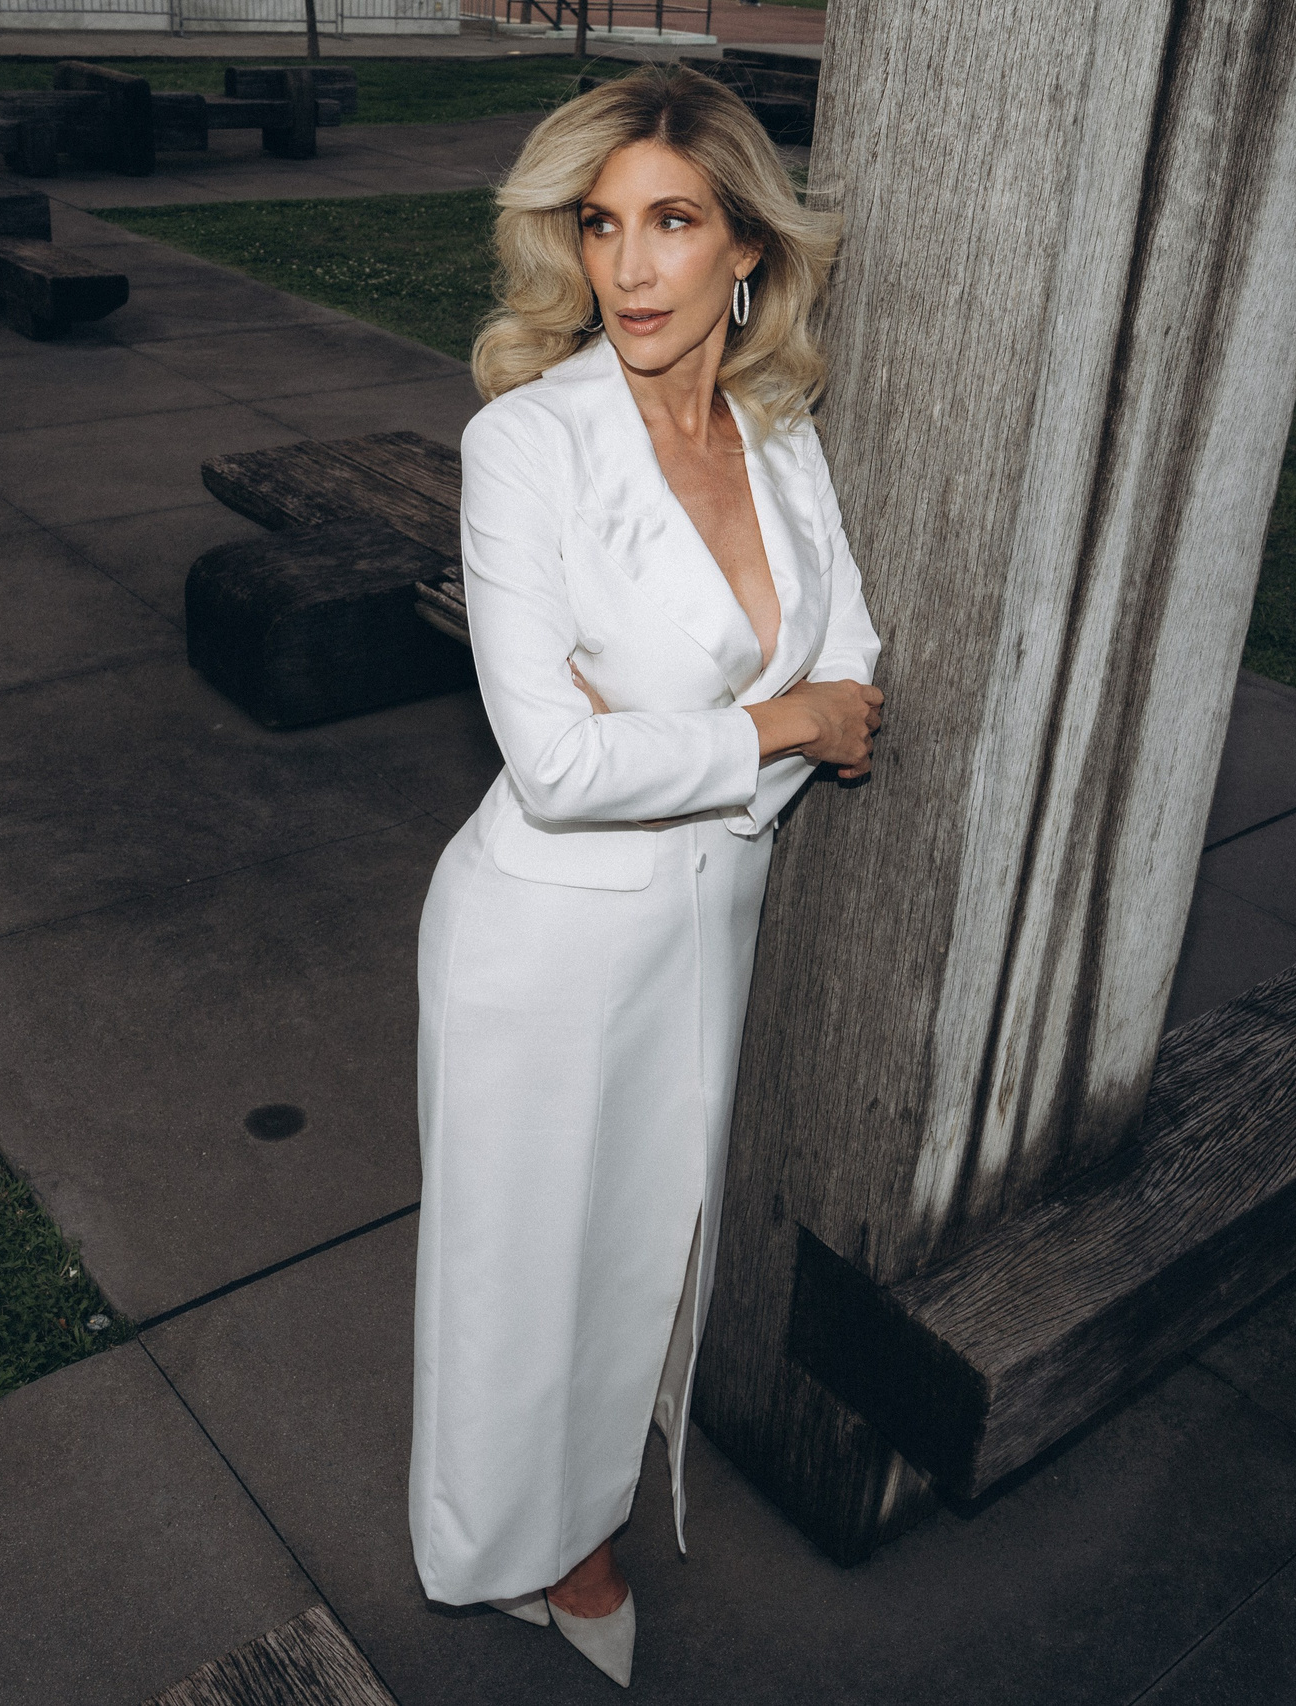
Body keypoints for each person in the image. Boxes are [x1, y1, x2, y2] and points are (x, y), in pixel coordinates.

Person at [406, 67, 884, 1688]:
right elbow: (555, 765)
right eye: (600, 226)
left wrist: (707, 743)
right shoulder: (525, 443)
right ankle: (528, 1543)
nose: (627, 268)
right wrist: (771, 724)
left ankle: (584, 1510)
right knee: (518, 1262)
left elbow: (857, 681)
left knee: (641, 1250)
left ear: (746, 245)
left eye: (672, 222)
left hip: (707, 910)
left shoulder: (777, 434)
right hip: (540, 930)